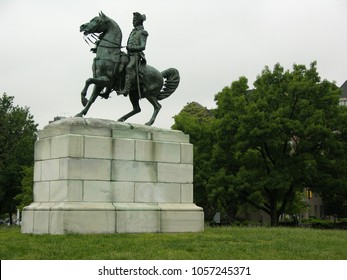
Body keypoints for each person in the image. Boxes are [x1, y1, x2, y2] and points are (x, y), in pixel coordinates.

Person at [118, 12, 148, 97]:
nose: (133, 21)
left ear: (139, 21)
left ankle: (126, 90)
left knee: (128, 67)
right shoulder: (133, 32)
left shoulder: (143, 32)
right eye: (133, 20)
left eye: (134, 20)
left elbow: (143, 46)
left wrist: (132, 48)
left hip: (136, 56)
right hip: (128, 54)